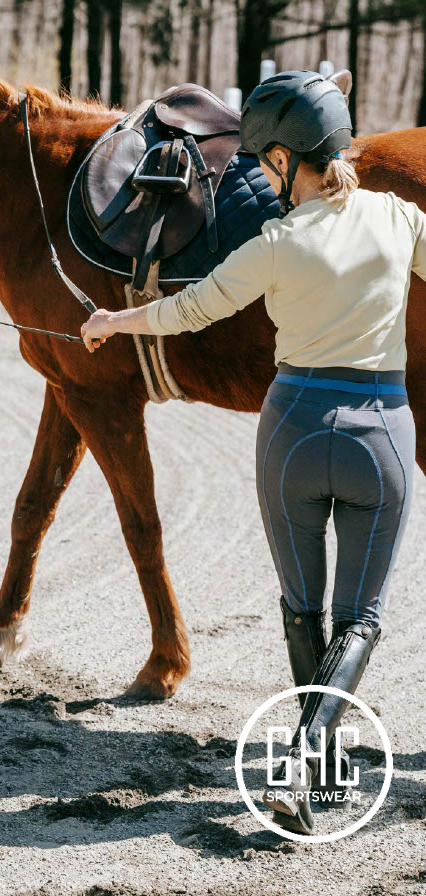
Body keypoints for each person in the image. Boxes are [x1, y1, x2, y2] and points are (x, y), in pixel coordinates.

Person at [80, 69, 424, 835]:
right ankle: (308, 761)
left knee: (302, 609)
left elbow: (190, 309)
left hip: (294, 431)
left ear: (279, 159)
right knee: (359, 620)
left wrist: (112, 322)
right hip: (380, 437)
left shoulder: (273, 243)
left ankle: (315, 773)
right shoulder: (400, 219)